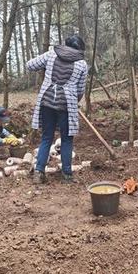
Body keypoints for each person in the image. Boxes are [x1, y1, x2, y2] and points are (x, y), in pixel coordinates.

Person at [27, 34, 88, 184]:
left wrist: (47, 72)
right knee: (67, 139)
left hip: (47, 100)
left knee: (47, 137)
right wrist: (74, 101)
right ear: (80, 49)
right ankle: (67, 175)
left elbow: (30, 65)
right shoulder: (82, 64)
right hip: (66, 104)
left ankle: (39, 172)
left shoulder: (52, 53)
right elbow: (80, 90)